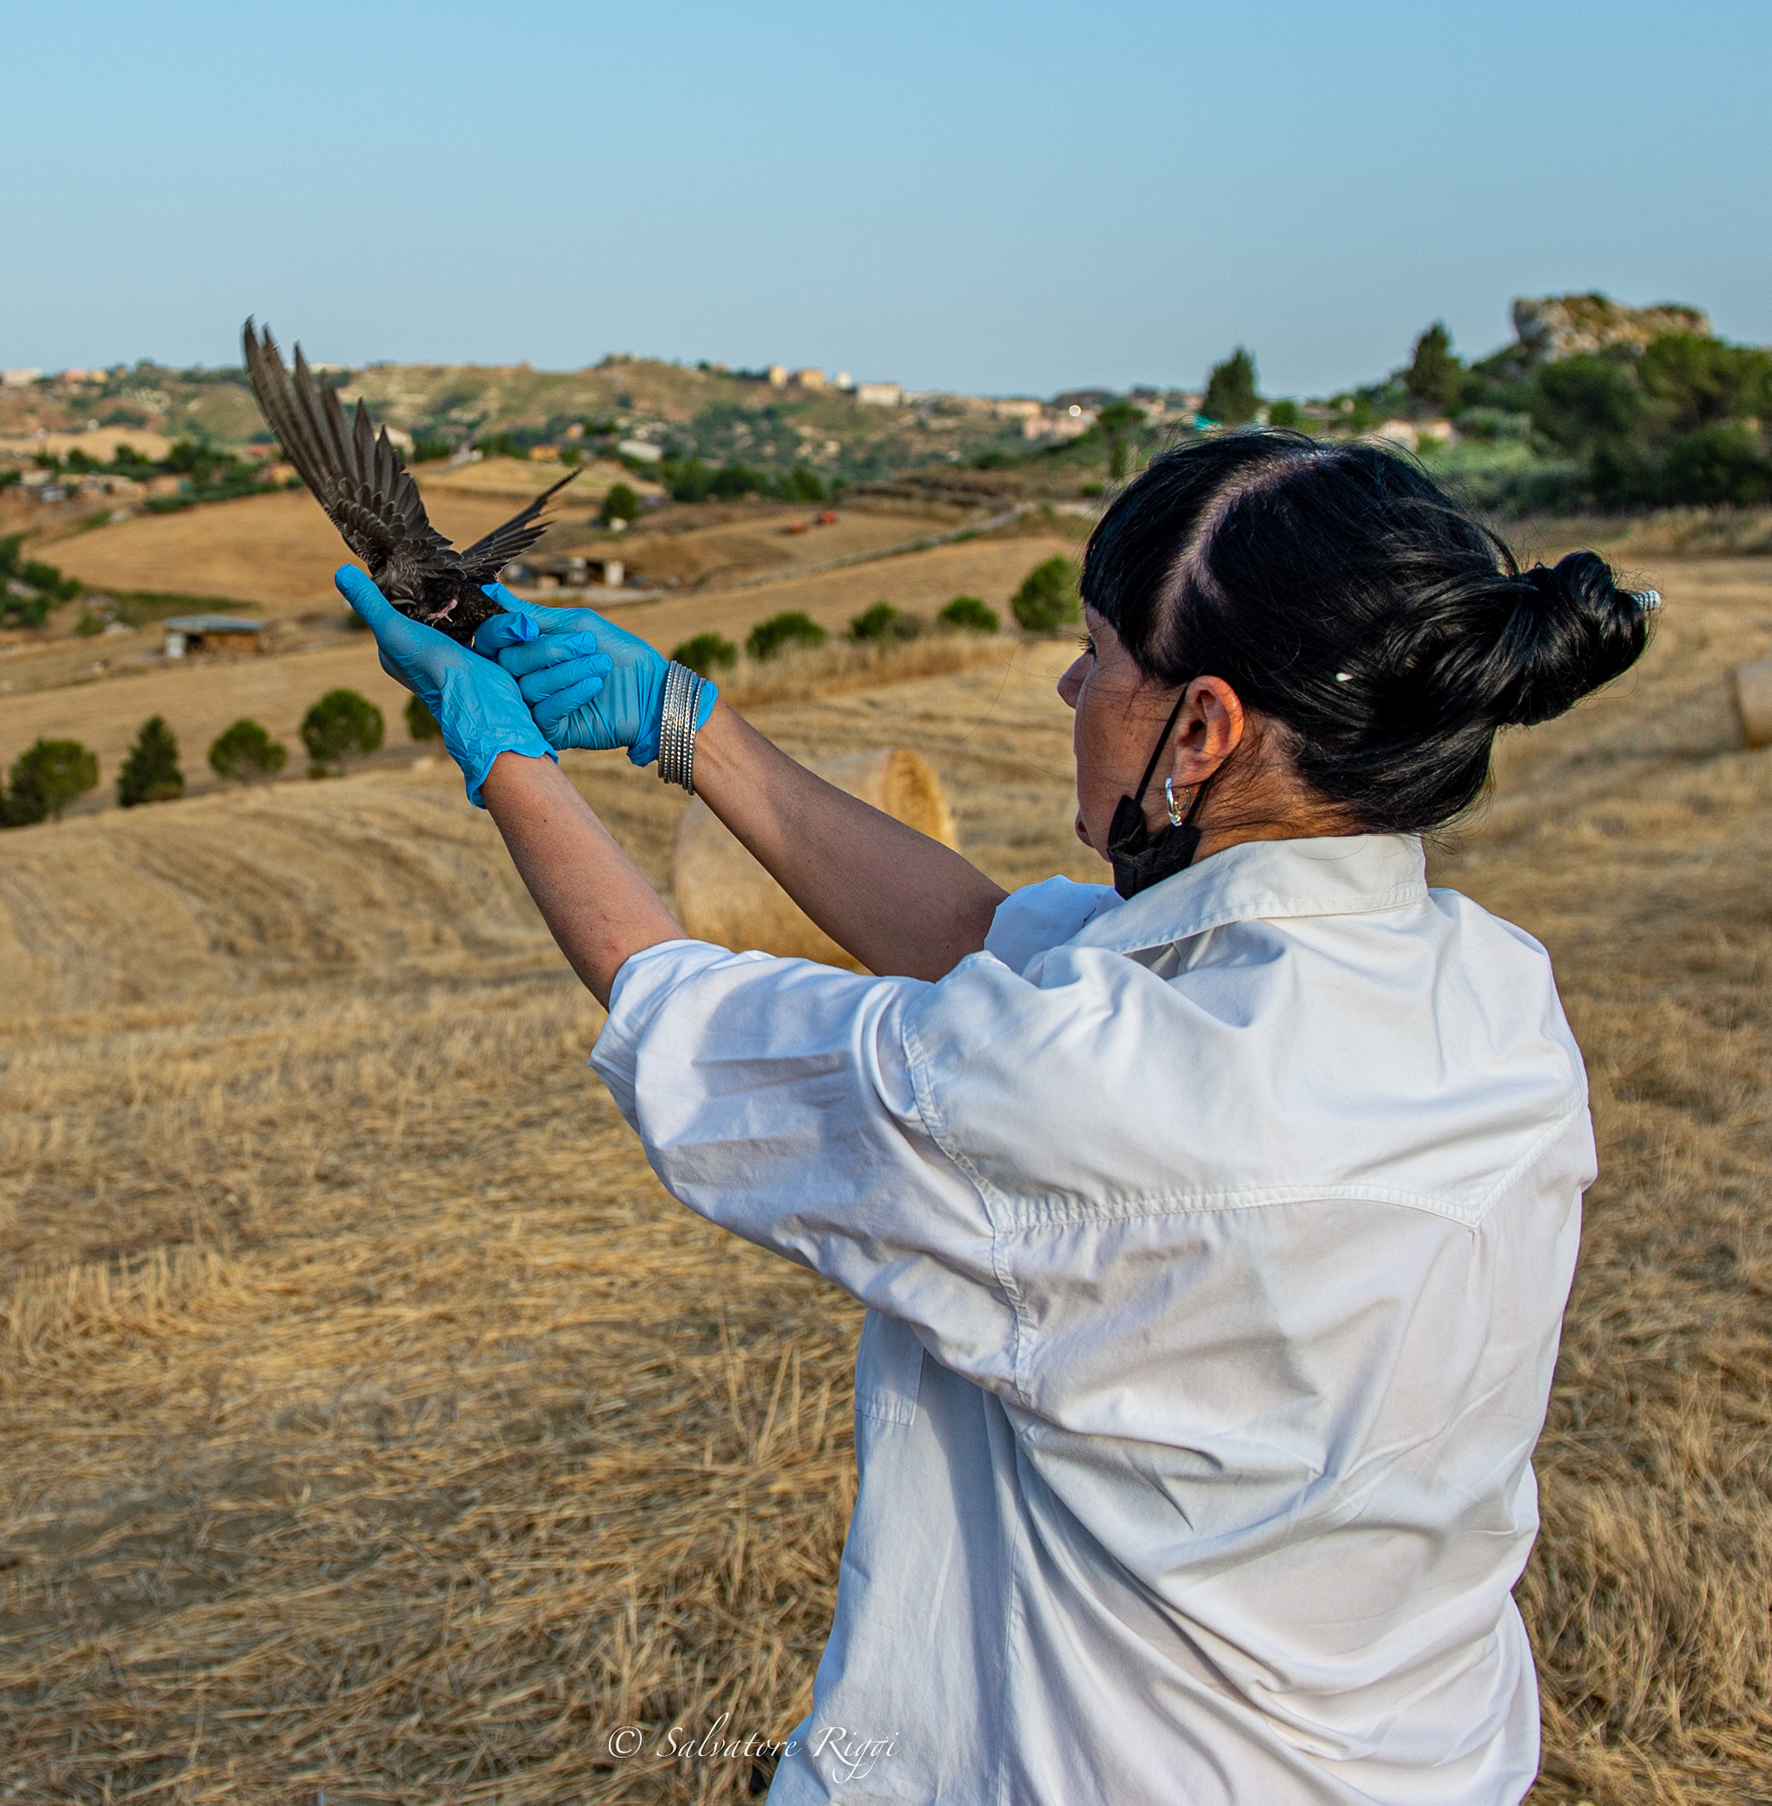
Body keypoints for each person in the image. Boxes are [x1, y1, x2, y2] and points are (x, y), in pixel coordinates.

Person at [332, 431, 1654, 1804]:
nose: (1070, 682)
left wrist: (501, 750)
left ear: (1200, 729)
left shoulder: (1092, 1093)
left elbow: (682, 1009)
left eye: (1098, 651)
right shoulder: (1490, 992)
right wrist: (687, 723)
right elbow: (982, 938)